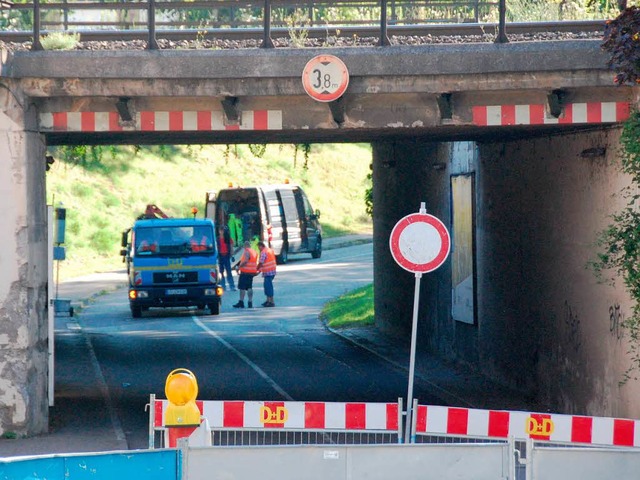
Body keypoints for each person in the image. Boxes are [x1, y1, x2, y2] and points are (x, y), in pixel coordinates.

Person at [233, 241, 258, 309]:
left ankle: (241, 302)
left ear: (245, 246)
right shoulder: (254, 252)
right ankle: (250, 302)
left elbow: (246, 260)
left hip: (245, 272)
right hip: (251, 272)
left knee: (242, 288)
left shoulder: (247, 251)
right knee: (249, 287)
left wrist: (239, 267)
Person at [257, 241, 277, 307]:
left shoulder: (263, 252)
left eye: (258, 247)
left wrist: (257, 269)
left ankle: (271, 301)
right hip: (272, 271)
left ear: (261, 246)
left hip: (268, 272)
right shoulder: (270, 250)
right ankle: (268, 300)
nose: (258, 249)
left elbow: (261, 262)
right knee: (267, 286)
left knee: (268, 287)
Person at [217, 225, 236, 291]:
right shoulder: (217, 239)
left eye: (223, 231)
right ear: (219, 231)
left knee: (229, 271)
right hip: (220, 257)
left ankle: (232, 286)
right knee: (221, 272)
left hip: (226, 256)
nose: (222, 232)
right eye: (221, 230)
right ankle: (223, 286)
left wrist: (232, 255)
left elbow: (231, 247)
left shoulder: (228, 238)